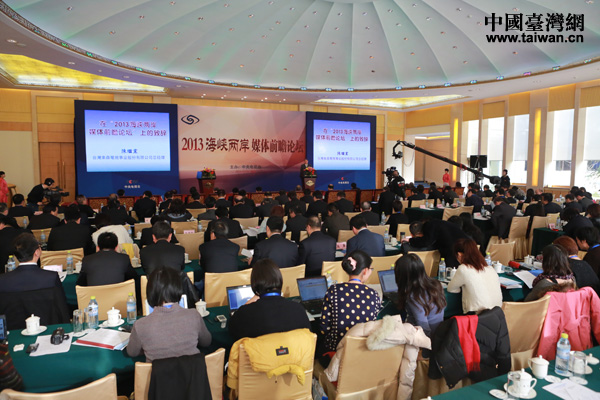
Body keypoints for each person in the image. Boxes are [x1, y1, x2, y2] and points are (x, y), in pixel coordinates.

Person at [127, 267, 211, 362]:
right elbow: (206, 342)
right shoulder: (194, 315)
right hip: (193, 371)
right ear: (178, 288)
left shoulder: (140, 325)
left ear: (150, 292)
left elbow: (132, 352)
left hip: (159, 372)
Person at [229, 259, 310, 341]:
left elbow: (233, 331)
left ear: (254, 283)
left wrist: (246, 305)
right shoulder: (298, 309)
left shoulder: (245, 313)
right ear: (279, 279)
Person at [0, 233, 69, 327]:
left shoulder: (3, 280)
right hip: (47, 330)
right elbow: (62, 310)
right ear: (36, 252)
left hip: (13, 333)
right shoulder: (51, 278)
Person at [319, 250, 382, 351]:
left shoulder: (334, 290)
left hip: (335, 350)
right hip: (362, 351)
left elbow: (324, 328)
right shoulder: (373, 294)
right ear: (365, 271)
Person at [394, 254, 446, 342]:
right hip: (439, 332)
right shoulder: (436, 284)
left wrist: (428, 344)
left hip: (424, 338)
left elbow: (423, 325)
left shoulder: (414, 296)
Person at [447, 238, 502, 314]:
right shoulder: (490, 268)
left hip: (477, 317)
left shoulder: (464, 268)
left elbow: (451, 288)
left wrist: (462, 288)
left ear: (459, 254)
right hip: (497, 315)